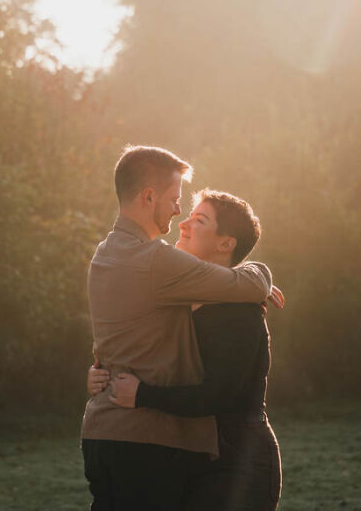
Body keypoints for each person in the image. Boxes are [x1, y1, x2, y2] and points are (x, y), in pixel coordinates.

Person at [81, 144, 278, 511]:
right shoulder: (156, 262)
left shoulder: (105, 254)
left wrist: (97, 373)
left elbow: (120, 337)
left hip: (103, 433)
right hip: (145, 442)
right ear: (148, 195)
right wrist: (257, 275)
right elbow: (249, 286)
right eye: (174, 199)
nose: (178, 212)